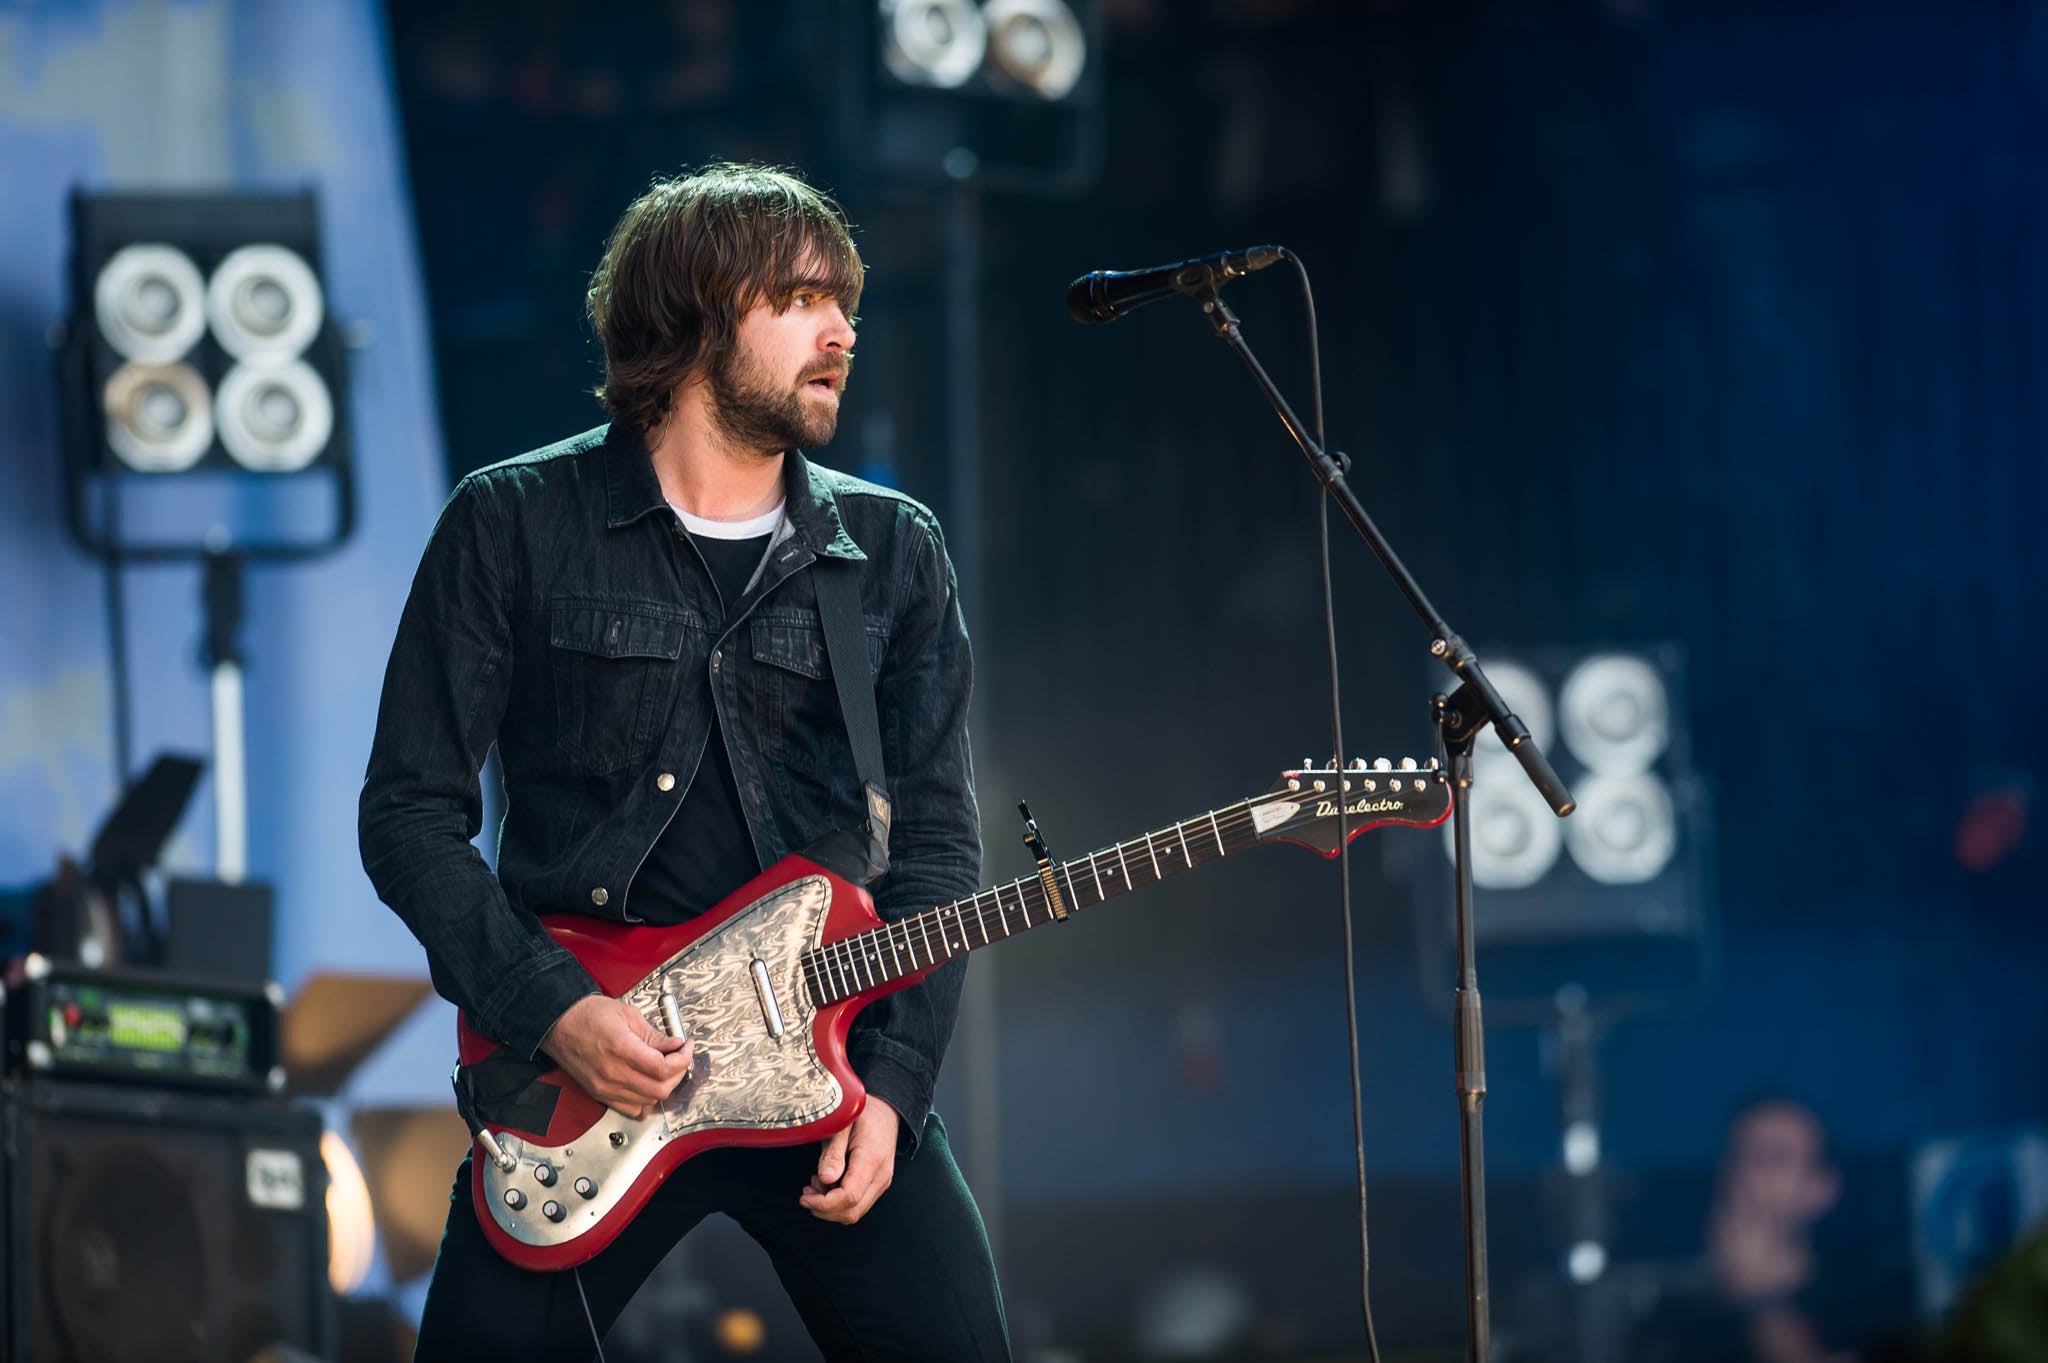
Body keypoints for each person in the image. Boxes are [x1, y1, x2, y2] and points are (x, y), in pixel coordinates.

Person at [359, 162, 1008, 1361]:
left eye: (847, 301)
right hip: (584, 1084)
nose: (841, 329)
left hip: (826, 1071)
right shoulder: (513, 522)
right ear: (698, 319)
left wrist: (899, 1090)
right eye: (802, 297)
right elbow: (407, 813)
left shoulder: (889, 551)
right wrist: (553, 1011)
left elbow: (933, 843)